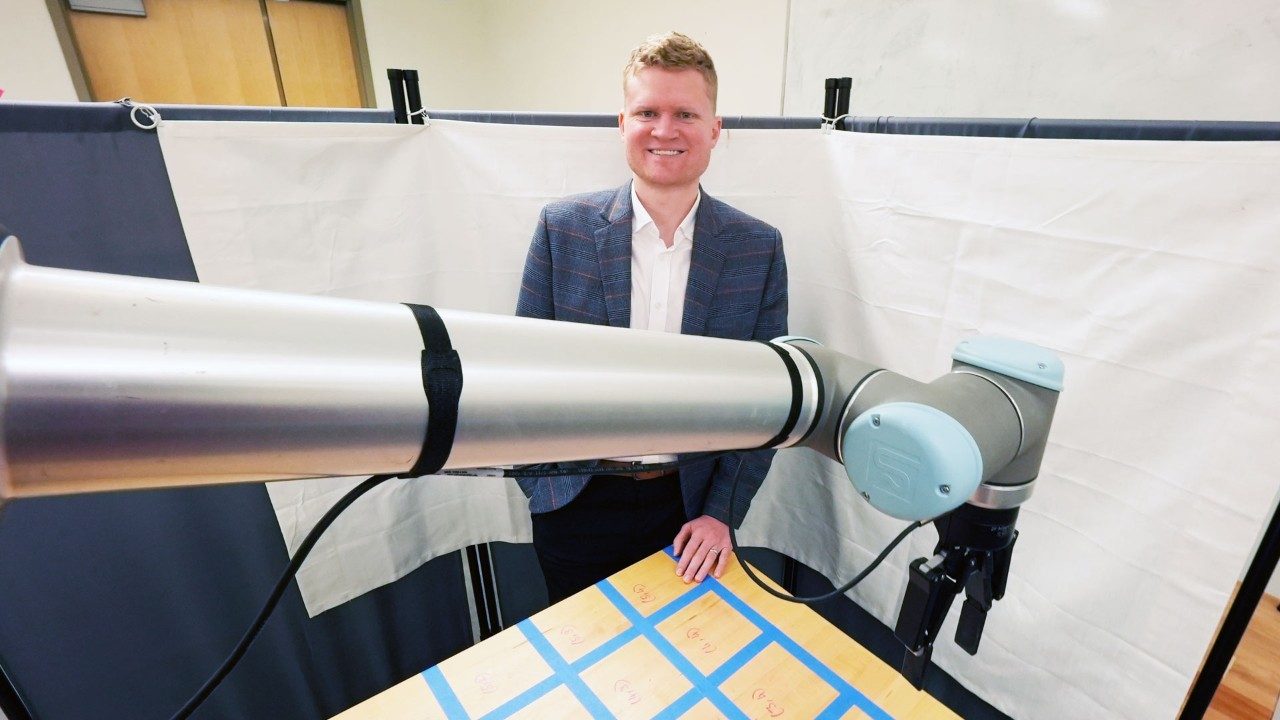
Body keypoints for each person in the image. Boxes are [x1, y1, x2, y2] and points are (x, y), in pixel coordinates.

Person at [514, 31, 788, 604]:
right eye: (648, 112)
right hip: (576, 502)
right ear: (622, 124)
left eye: (685, 113)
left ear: (715, 129)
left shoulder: (756, 248)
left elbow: (768, 402)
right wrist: (541, 486)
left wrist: (722, 513)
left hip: (690, 514)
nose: (665, 130)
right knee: (583, 658)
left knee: (680, 665)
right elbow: (519, 373)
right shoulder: (562, 230)